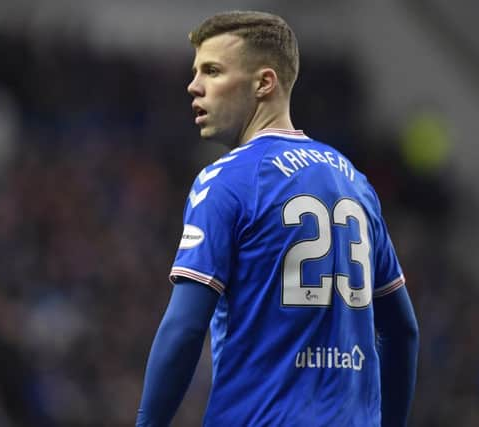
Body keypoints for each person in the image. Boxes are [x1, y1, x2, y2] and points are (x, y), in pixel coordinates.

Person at [136, 10, 419, 427]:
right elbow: (402, 331)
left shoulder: (227, 180)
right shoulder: (354, 182)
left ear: (264, 83)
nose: (193, 86)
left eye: (212, 71)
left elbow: (183, 329)